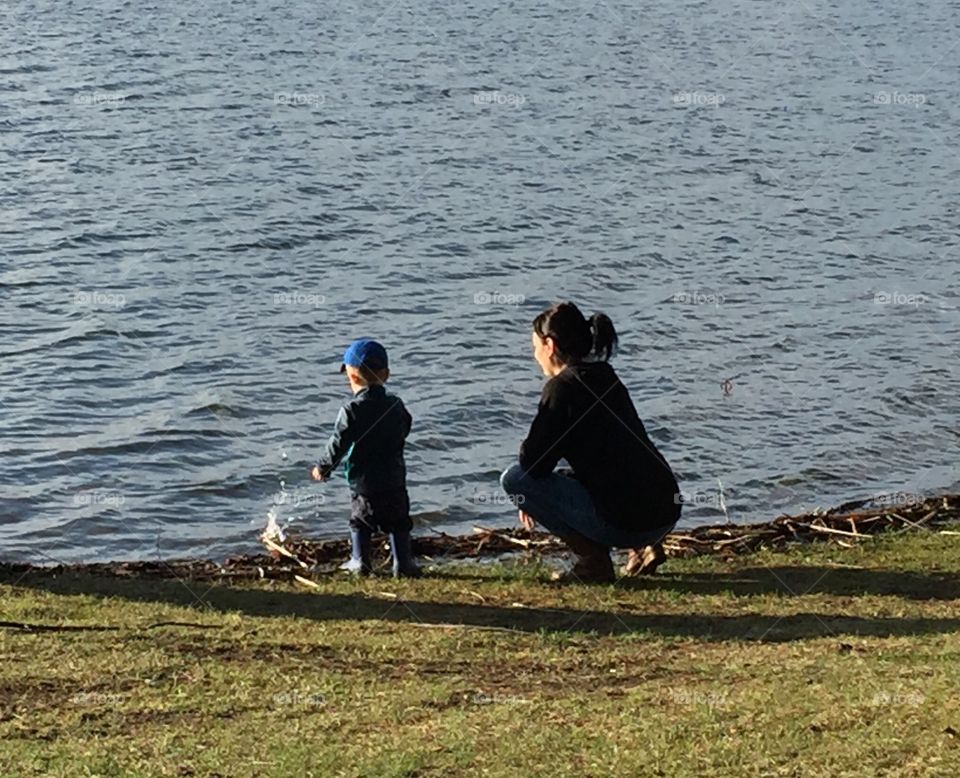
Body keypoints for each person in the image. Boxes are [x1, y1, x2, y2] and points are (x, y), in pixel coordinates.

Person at [500, 302, 681, 583]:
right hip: (665, 510)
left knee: (514, 479)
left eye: (535, 348)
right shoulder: (605, 376)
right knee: (609, 472)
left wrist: (530, 495)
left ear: (549, 345)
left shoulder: (562, 389)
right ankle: (644, 547)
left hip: (627, 522)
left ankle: (592, 561)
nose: (535, 356)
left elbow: (532, 464)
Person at [310, 338, 420, 578]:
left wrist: (324, 468)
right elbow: (406, 426)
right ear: (386, 374)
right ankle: (403, 563)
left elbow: (338, 443)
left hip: (363, 482)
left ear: (353, 378)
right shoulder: (396, 405)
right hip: (394, 479)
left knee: (360, 522)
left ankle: (360, 560)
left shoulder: (351, 410)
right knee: (399, 521)